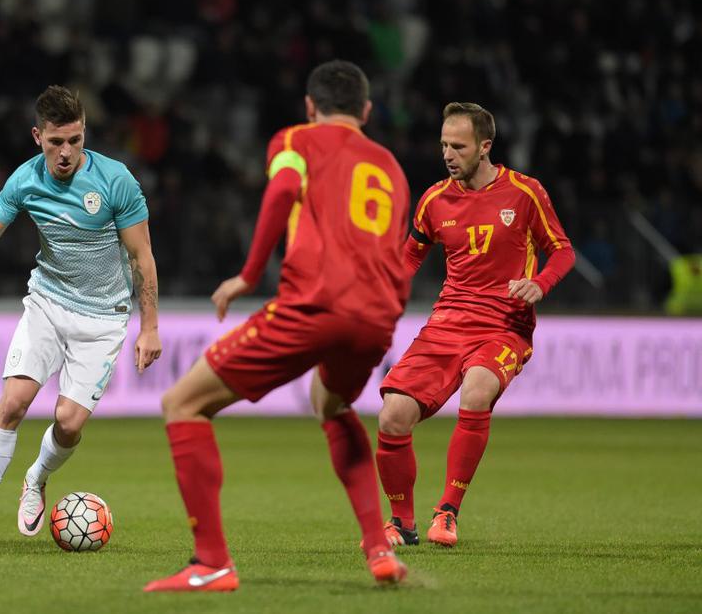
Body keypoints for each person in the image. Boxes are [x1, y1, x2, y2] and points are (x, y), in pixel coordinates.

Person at [144, 60, 411, 592]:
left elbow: (283, 190)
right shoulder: (392, 168)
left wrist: (248, 275)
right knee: (331, 404)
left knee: (182, 404)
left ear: (311, 107)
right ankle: (379, 548)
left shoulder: (295, 139)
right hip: (378, 319)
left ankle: (212, 563)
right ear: (366, 111)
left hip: (315, 306)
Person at [0, 85, 162, 551]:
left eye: (75, 140)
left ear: (84, 134)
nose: (66, 152)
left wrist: (149, 327)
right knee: (12, 405)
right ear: (37, 136)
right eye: (56, 142)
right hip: (48, 303)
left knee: (68, 423)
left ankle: (37, 475)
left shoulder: (116, 180)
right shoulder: (25, 181)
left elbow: (141, 256)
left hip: (103, 318)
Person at [375, 102, 576, 549]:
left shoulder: (524, 193)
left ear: (485, 147)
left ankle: (447, 511)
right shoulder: (434, 200)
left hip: (504, 325)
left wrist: (540, 284)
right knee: (392, 416)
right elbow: (410, 257)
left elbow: (562, 250)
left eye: (459, 147)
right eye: (444, 145)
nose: (448, 155)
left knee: (477, 390)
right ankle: (401, 523)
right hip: (447, 323)